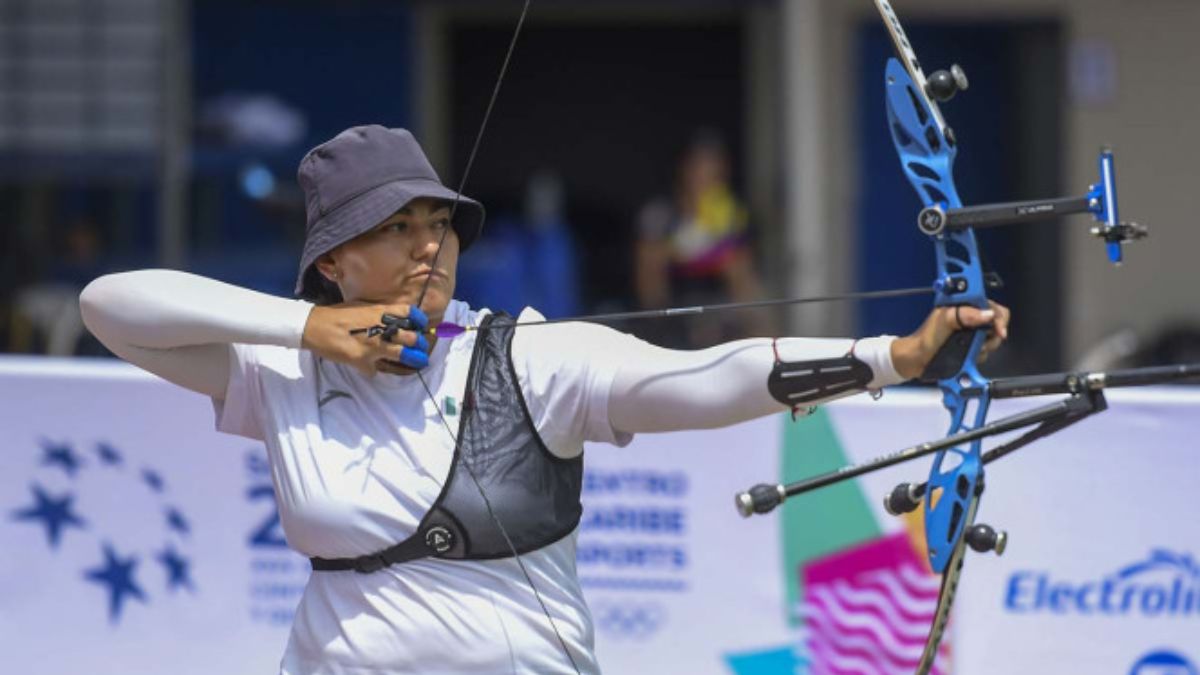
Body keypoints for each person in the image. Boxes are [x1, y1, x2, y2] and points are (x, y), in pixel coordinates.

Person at [79, 125, 1009, 674]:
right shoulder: (280, 372)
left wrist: (890, 355)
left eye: (437, 223)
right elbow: (109, 307)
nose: (428, 248)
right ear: (332, 261)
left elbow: (700, 378)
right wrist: (310, 330)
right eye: (395, 229)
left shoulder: (527, 356)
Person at [634, 130, 770, 347]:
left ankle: (762, 346)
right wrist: (682, 247)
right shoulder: (661, 212)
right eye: (700, 167)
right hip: (676, 305)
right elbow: (649, 267)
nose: (707, 176)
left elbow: (741, 271)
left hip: (718, 306)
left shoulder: (732, 213)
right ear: (685, 169)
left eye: (715, 169)